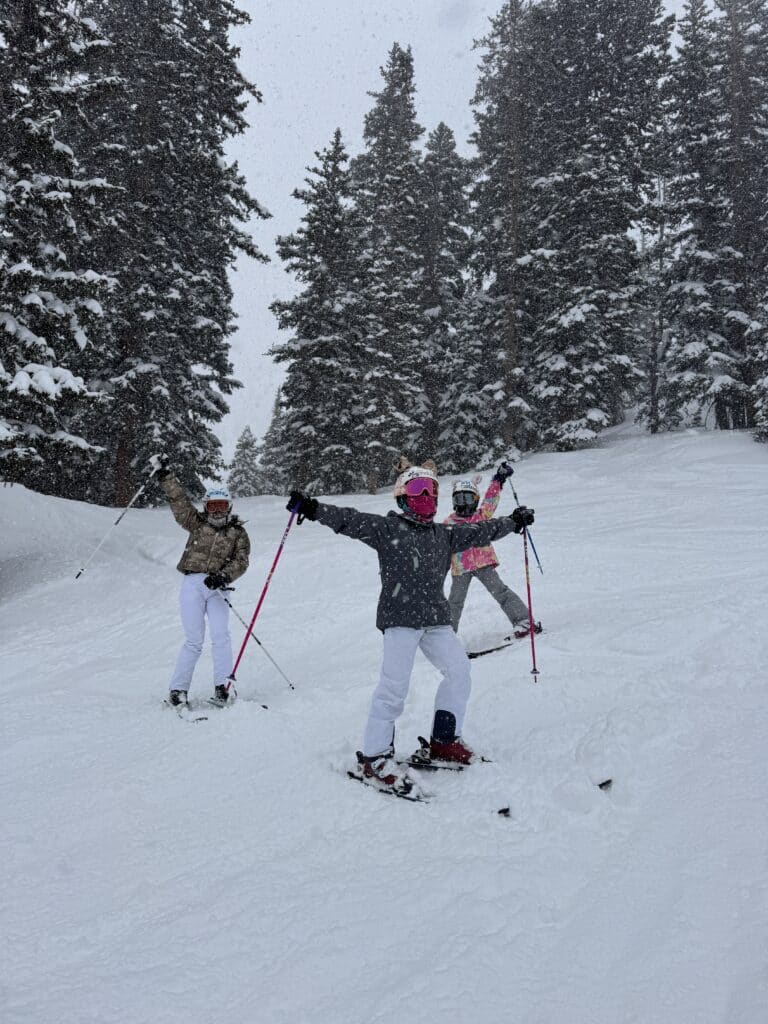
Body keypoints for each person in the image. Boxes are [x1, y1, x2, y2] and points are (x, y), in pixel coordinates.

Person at [287, 462, 535, 793]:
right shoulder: (386, 529)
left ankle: (444, 742)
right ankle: (374, 758)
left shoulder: (443, 534)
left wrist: (513, 522)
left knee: (459, 671)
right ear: (403, 498)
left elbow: (482, 530)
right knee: (394, 687)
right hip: (400, 618)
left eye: (432, 491)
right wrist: (313, 508)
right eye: (419, 491)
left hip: (435, 618)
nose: (427, 497)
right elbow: (347, 519)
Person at [150, 454, 250, 707]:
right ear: (206, 507)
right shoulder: (197, 524)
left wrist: (223, 576)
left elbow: (241, 560)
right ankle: (178, 690)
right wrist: (166, 476)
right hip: (194, 584)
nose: (217, 511)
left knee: (221, 636)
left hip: (219, 588)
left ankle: (223, 687)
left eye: (221, 506)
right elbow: (180, 503)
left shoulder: (237, 532)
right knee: (194, 640)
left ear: (228, 507)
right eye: (212, 506)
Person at [445, 462, 541, 638]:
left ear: (475, 500)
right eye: (458, 499)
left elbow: (490, 499)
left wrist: (499, 479)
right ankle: (445, 637)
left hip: (483, 563)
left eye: (467, 499)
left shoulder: (481, 516)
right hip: (460, 568)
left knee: (501, 592)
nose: (463, 504)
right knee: (455, 602)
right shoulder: (449, 523)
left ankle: (524, 621)